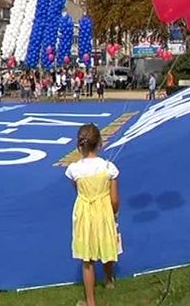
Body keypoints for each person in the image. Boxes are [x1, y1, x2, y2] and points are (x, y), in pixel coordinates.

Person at [66, 124, 120, 306]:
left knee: (87, 258)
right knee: (106, 243)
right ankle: (109, 280)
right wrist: (114, 212)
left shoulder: (74, 169)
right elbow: (114, 199)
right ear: (100, 143)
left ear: (79, 145)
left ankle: (90, 301)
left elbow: (78, 191)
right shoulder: (109, 167)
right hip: (104, 211)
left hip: (84, 212)